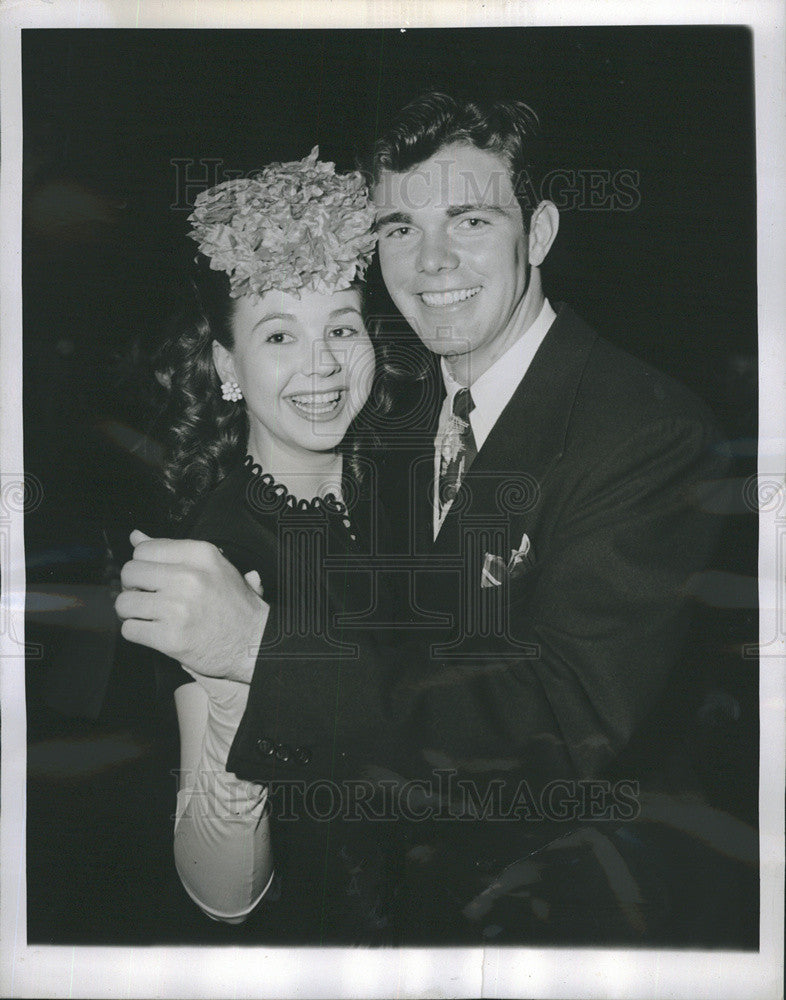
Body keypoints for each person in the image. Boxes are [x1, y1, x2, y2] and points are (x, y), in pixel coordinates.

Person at [119, 97, 755, 945]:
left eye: (471, 218)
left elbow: (558, 730)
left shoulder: (644, 433)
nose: (432, 262)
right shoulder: (391, 417)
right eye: (398, 229)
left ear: (542, 232)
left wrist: (258, 653)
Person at [117, 149, 405, 940]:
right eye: (280, 335)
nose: (322, 364)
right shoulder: (218, 555)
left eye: (340, 326)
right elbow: (222, 894)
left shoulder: (408, 490)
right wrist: (231, 710)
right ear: (227, 366)